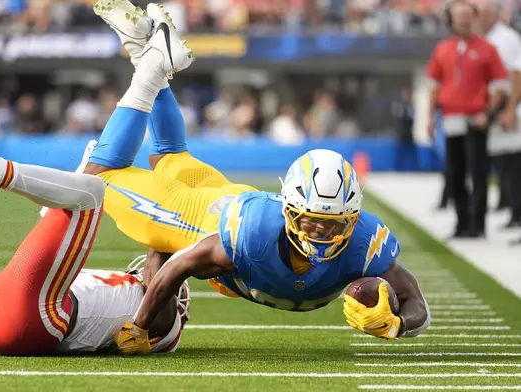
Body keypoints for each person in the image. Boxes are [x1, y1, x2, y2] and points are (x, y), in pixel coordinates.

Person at [84, 0, 430, 355]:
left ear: (352, 219)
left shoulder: (363, 243)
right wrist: (139, 326)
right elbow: (180, 264)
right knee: (99, 176)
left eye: (332, 224)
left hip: (227, 199)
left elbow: (417, 304)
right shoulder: (253, 234)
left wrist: (398, 323)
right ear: (289, 210)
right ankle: (150, 59)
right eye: (310, 221)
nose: (320, 232)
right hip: (191, 218)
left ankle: (146, 49)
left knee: (170, 155)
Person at [0, 87, 187, 356]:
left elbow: (160, 250)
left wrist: (182, 236)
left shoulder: (162, 319)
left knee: (91, 193)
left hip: (35, 315)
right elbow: (51, 228)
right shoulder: (138, 304)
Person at [426, 0, 509, 238]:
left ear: (473, 18)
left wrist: (489, 113)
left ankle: (478, 224)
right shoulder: (443, 49)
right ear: (451, 20)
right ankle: (462, 222)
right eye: (458, 16)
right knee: (455, 172)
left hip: (476, 119)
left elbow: (501, 85)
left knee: (478, 172)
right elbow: (434, 85)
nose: (463, 20)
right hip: (451, 118)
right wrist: (430, 117)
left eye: (467, 15)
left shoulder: (487, 48)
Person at [478, 0, 521, 230]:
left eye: (485, 13)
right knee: (503, 162)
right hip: (499, 107)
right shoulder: (487, 38)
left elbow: (513, 76)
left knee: (512, 163)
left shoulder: (505, 38)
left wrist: (509, 110)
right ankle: (511, 207)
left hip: (508, 108)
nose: (480, 18)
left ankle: (517, 212)